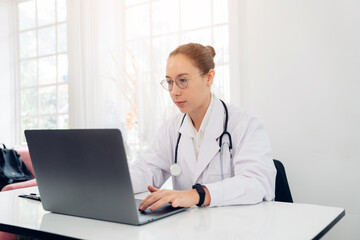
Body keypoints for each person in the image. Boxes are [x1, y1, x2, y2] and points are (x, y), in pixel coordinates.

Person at [130, 43, 276, 211]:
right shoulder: (172, 129)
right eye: (170, 82)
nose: (174, 91)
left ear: (209, 77)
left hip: (237, 228)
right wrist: (108, 183)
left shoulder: (244, 124)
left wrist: (196, 195)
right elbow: (146, 169)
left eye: (182, 81)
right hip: (189, 228)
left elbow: (258, 182)